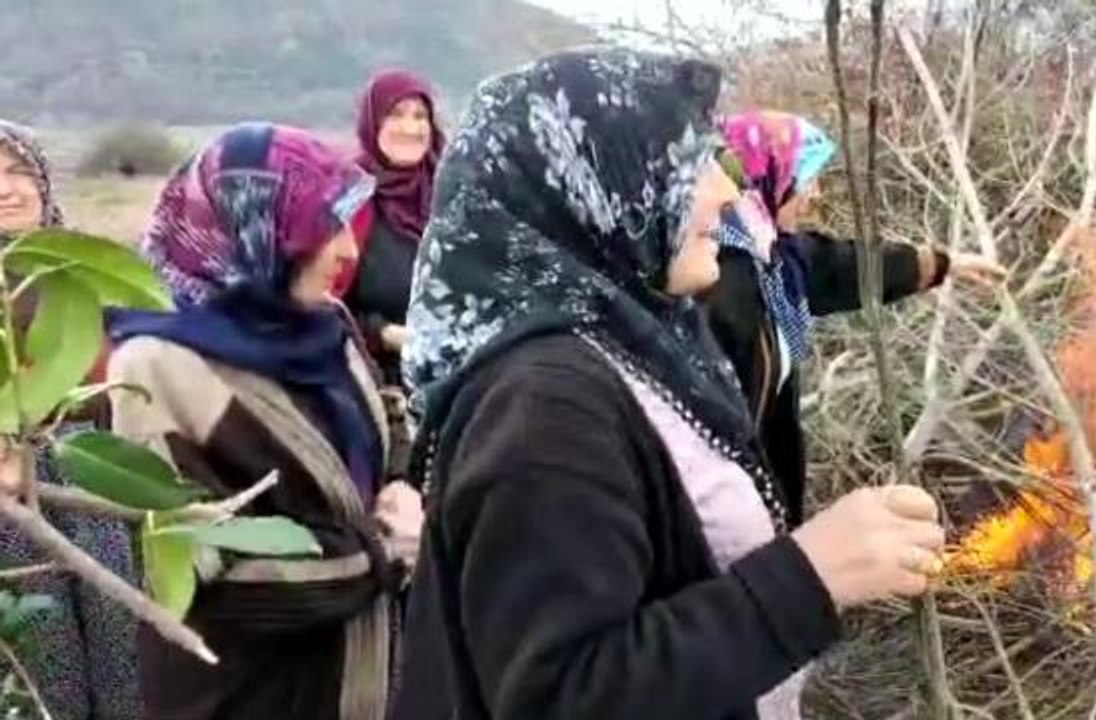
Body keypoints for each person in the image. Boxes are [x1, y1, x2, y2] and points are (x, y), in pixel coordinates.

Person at [391, 49, 946, 720]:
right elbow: (563, 697)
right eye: (691, 165)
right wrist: (809, 577)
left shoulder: (634, 337)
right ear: (596, 187)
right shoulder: (545, 406)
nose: (724, 191)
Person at [106, 123, 423, 720]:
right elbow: (208, 575)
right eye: (324, 228)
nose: (348, 251)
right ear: (254, 229)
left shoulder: (324, 324)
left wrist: (401, 481)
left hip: (359, 671)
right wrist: (383, 554)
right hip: (250, 693)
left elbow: (384, 412)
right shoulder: (156, 366)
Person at [706, 110, 1007, 527]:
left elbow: (844, 267)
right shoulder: (722, 282)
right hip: (726, 506)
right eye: (807, 178)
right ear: (768, 176)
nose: (816, 193)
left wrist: (946, 263)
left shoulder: (773, 254)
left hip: (763, 495)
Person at [0, 119, 142, 720]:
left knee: (121, 633)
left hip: (93, 469)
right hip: (8, 491)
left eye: (18, 172)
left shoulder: (87, 271)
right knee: (40, 647)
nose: (8, 189)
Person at [338, 69, 446, 386]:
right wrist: (384, 333)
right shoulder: (348, 197)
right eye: (395, 115)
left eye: (420, 116)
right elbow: (319, 302)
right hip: (376, 380)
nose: (410, 128)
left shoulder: (452, 192)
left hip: (457, 379)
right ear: (373, 123)